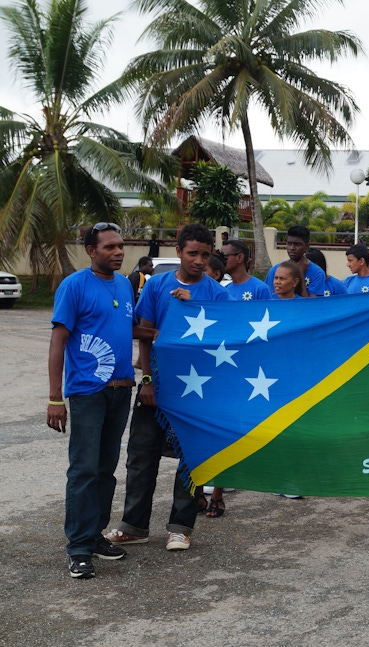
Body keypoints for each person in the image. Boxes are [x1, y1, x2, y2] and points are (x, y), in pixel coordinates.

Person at [106, 224, 229, 552]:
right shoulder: (157, 285)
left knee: (191, 457)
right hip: (157, 383)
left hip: (199, 391)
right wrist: (147, 380)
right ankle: (133, 525)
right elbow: (144, 335)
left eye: (205, 255)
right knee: (141, 455)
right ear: (178, 252)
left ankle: (181, 526)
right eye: (193, 253)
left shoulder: (218, 295)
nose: (200, 261)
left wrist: (194, 309)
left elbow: (228, 341)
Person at [48, 222, 153, 578]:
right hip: (87, 393)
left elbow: (126, 327)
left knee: (106, 469)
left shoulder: (125, 285)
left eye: (120, 246)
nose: (118, 252)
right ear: (91, 251)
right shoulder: (74, 286)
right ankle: (78, 549)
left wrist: (166, 330)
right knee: (83, 471)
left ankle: (95, 536)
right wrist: (54, 399)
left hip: (121, 390)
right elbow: (58, 341)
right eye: (109, 247)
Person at [265, 225, 326, 296]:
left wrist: (300, 274)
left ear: (307, 246)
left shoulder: (317, 273)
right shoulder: (276, 269)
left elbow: (311, 305)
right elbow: (268, 298)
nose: (292, 248)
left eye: (297, 244)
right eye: (289, 243)